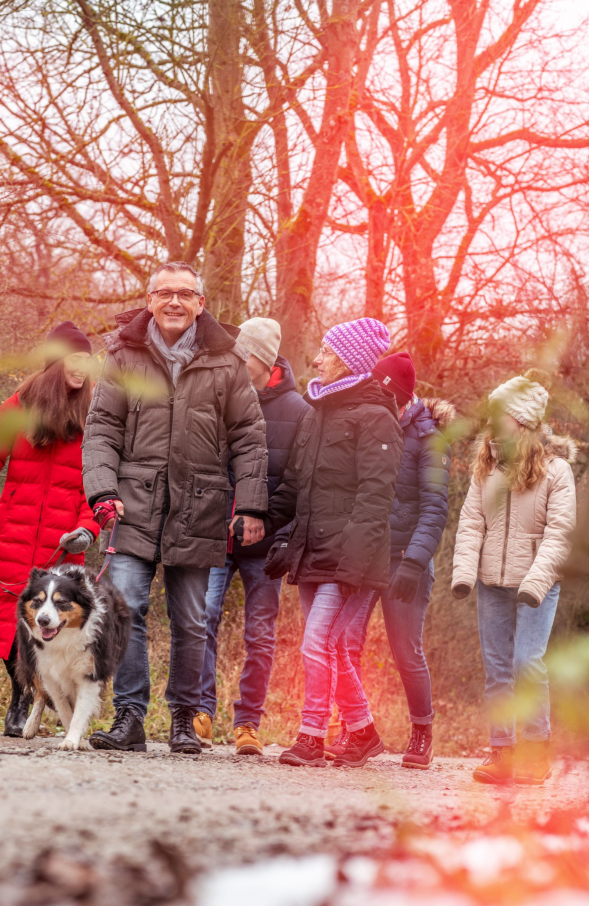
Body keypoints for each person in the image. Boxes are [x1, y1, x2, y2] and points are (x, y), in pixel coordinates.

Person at [82, 262, 268, 756]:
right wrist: (102, 491)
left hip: (199, 507)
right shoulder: (123, 354)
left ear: (200, 304)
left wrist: (250, 505)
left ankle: (185, 719)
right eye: (164, 293)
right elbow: (101, 428)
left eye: (185, 294)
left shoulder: (227, 361)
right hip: (132, 504)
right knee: (124, 609)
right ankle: (129, 716)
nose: (174, 303)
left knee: (191, 620)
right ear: (149, 301)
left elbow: (250, 436)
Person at [263, 318, 404, 768]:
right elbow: (294, 486)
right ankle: (362, 731)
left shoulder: (377, 419)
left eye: (326, 351)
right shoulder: (315, 413)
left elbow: (375, 499)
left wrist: (352, 569)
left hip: (349, 559)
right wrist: (258, 520)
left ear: (347, 360)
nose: (317, 359)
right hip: (312, 553)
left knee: (315, 642)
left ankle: (311, 736)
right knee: (333, 647)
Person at [0, 321, 100, 737]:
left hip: (62, 542)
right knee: (10, 622)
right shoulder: (18, 406)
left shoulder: (95, 414)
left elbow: (101, 481)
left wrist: (88, 528)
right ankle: (21, 697)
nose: (83, 367)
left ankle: (42, 697)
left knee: (52, 624)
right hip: (12, 535)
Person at [452, 371, 577, 786]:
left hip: (537, 586)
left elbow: (560, 535)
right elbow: (471, 524)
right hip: (492, 583)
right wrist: (465, 574)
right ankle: (501, 753)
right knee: (498, 668)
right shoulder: (487, 469)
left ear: (520, 420)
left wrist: (534, 584)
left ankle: (536, 752)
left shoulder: (557, 472)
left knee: (527, 661)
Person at [195, 317, 311, 755]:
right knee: (202, 618)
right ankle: (201, 712)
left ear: (261, 359)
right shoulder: (220, 396)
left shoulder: (298, 411)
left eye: (243, 356)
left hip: (263, 544)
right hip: (215, 534)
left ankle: (247, 724)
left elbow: (294, 481)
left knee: (260, 634)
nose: (236, 362)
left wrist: (263, 518)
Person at [333, 352, 454, 770]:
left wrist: (415, 563)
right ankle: (355, 726)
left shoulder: (429, 439)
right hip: (370, 556)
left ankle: (422, 731)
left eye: (384, 394)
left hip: (406, 561)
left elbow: (435, 508)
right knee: (346, 642)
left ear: (399, 397)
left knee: (406, 651)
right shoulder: (371, 425)